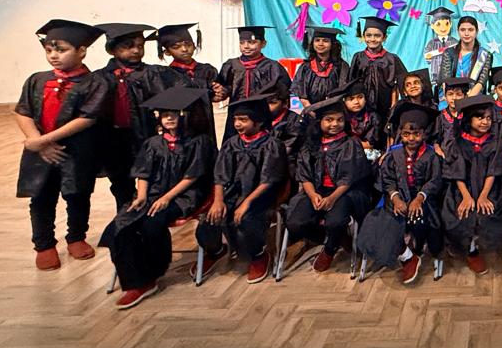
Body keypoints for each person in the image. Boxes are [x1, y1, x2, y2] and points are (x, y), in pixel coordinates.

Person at [100, 86, 214, 308]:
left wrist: (167, 198)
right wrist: (142, 196)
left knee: (153, 222)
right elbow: (143, 172)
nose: (169, 118)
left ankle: (148, 277)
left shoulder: (198, 142)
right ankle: (134, 278)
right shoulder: (153, 143)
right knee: (121, 225)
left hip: (185, 195)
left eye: (174, 114)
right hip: (152, 193)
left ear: (187, 116)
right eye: (165, 114)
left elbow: (192, 175)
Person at [15, 19, 110, 271]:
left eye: (61, 50)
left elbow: (87, 118)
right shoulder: (36, 80)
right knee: (41, 197)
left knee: (77, 194)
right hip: (39, 151)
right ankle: (44, 244)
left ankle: (76, 237)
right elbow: (23, 111)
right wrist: (36, 141)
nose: (54, 56)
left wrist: (43, 141)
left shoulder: (95, 82)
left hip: (77, 150)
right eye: (49, 50)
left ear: (82, 51)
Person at [195, 95, 288, 284]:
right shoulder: (231, 144)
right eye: (236, 119)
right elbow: (220, 174)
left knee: (246, 220)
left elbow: (268, 179)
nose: (237, 124)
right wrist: (218, 201)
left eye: (243, 120)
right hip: (232, 193)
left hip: (261, 196)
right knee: (208, 222)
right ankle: (216, 251)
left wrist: (246, 203)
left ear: (258, 121)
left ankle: (258, 255)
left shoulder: (272, 145)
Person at [95, 23, 187, 209]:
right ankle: (125, 216)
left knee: (152, 179)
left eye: (140, 45)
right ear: (112, 49)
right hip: (113, 139)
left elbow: (185, 89)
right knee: (121, 183)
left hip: (147, 135)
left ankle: (151, 216)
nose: (136, 50)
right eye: (128, 46)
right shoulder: (99, 77)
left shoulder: (155, 73)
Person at [358, 102, 444, 285]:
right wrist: (396, 199)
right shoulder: (393, 154)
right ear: (400, 134)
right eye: (406, 134)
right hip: (396, 200)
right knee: (378, 224)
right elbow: (387, 180)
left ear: (424, 133)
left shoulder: (431, 155)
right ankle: (407, 256)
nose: (411, 138)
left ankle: (412, 249)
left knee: (418, 220)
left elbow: (435, 181)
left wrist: (419, 198)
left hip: (423, 201)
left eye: (416, 133)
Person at [285, 96, 373, 272]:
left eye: (340, 120)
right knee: (295, 222)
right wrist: (312, 195)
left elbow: (349, 178)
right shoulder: (311, 144)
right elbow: (304, 175)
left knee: (335, 221)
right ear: (319, 122)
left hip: (345, 192)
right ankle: (334, 238)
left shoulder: (350, 144)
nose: (335, 124)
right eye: (329, 120)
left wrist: (332, 198)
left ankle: (330, 249)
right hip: (317, 190)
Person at [441, 94, 502, 274]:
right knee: (460, 213)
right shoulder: (458, 142)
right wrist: (466, 196)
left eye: (489, 118)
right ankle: (470, 250)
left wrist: (484, 196)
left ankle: (478, 245)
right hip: (462, 188)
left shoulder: (496, 143)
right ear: (469, 119)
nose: (485, 122)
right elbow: (456, 172)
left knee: (487, 213)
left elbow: (493, 170)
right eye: (480, 117)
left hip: (490, 188)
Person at [155, 23, 222, 136]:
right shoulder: (165, 75)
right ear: (167, 52)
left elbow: (215, 94)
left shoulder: (207, 70)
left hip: (205, 124)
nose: (184, 49)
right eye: (176, 47)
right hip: (178, 127)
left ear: (194, 45)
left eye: (188, 44)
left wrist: (219, 93)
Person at [349, 17, 407, 145]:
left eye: (377, 35)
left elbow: (403, 82)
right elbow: (351, 82)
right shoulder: (358, 57)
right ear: (363, 36)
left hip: (385, 104)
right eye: (368, 35)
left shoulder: (392, 59)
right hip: (362, 104)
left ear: (384, 38)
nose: (372, 39)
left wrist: (394, 106)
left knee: (383, 133)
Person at [218, 24, 292, 108]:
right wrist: (222, 92)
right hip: (237, 110)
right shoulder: (231, 65)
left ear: (263, 44)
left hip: (264, 110)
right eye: (242, 43)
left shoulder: (273, 67)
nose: (246, 46)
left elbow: (283, 93)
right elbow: (223, 88)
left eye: (252, 42)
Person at [291, 25, 350, 107]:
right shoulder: (305, 67)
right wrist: (310, 110)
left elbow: (343, 91)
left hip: (335, 109)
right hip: (310, 109)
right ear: (313, 43)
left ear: (332, 44)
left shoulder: (341, 66)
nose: (320, 44)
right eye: (317, 40)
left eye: (325, 41)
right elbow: (302, 94)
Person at [436, 15, 493, 99]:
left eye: (470, 30)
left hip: (474, 96)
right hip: (451, 96)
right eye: (462, 30)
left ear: (476, 31)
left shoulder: (485, 55)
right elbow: (445, 81)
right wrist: (454, 98)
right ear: (458, 31)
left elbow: (481, 82)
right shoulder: (449, 52)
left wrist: (467, 100)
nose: (466, 33)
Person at [433, 77, 472, 157]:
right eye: (450, 94)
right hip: (445, 158)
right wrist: (438, 150)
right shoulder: (440, 116)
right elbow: (435, 140)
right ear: (445, 96)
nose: (454, 98)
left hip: (466, 157)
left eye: (458, 94)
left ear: (465, 96)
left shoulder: (469, 115)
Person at [421, 7, 456, 85]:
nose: (443, 28)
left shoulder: (454, 42)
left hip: (451, 75)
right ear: (432, 26)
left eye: (446, 24)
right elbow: (427, 59)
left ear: (450, 24)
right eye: (438, 24)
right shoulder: (431, 43)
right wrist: (428, 57)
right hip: (436, 74)